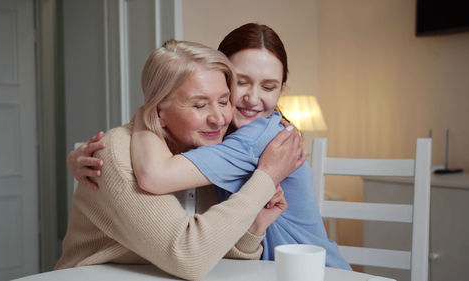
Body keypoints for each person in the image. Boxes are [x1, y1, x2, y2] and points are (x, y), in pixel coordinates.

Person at [70, 23, 351, 270]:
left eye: (269, 87)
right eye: (241, 83)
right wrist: (78, 155)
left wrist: (146, 115)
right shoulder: (215, 141)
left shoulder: (250, 139)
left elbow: (159, 180)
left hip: (314, 271)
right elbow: (201, 244)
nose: (252, 99)